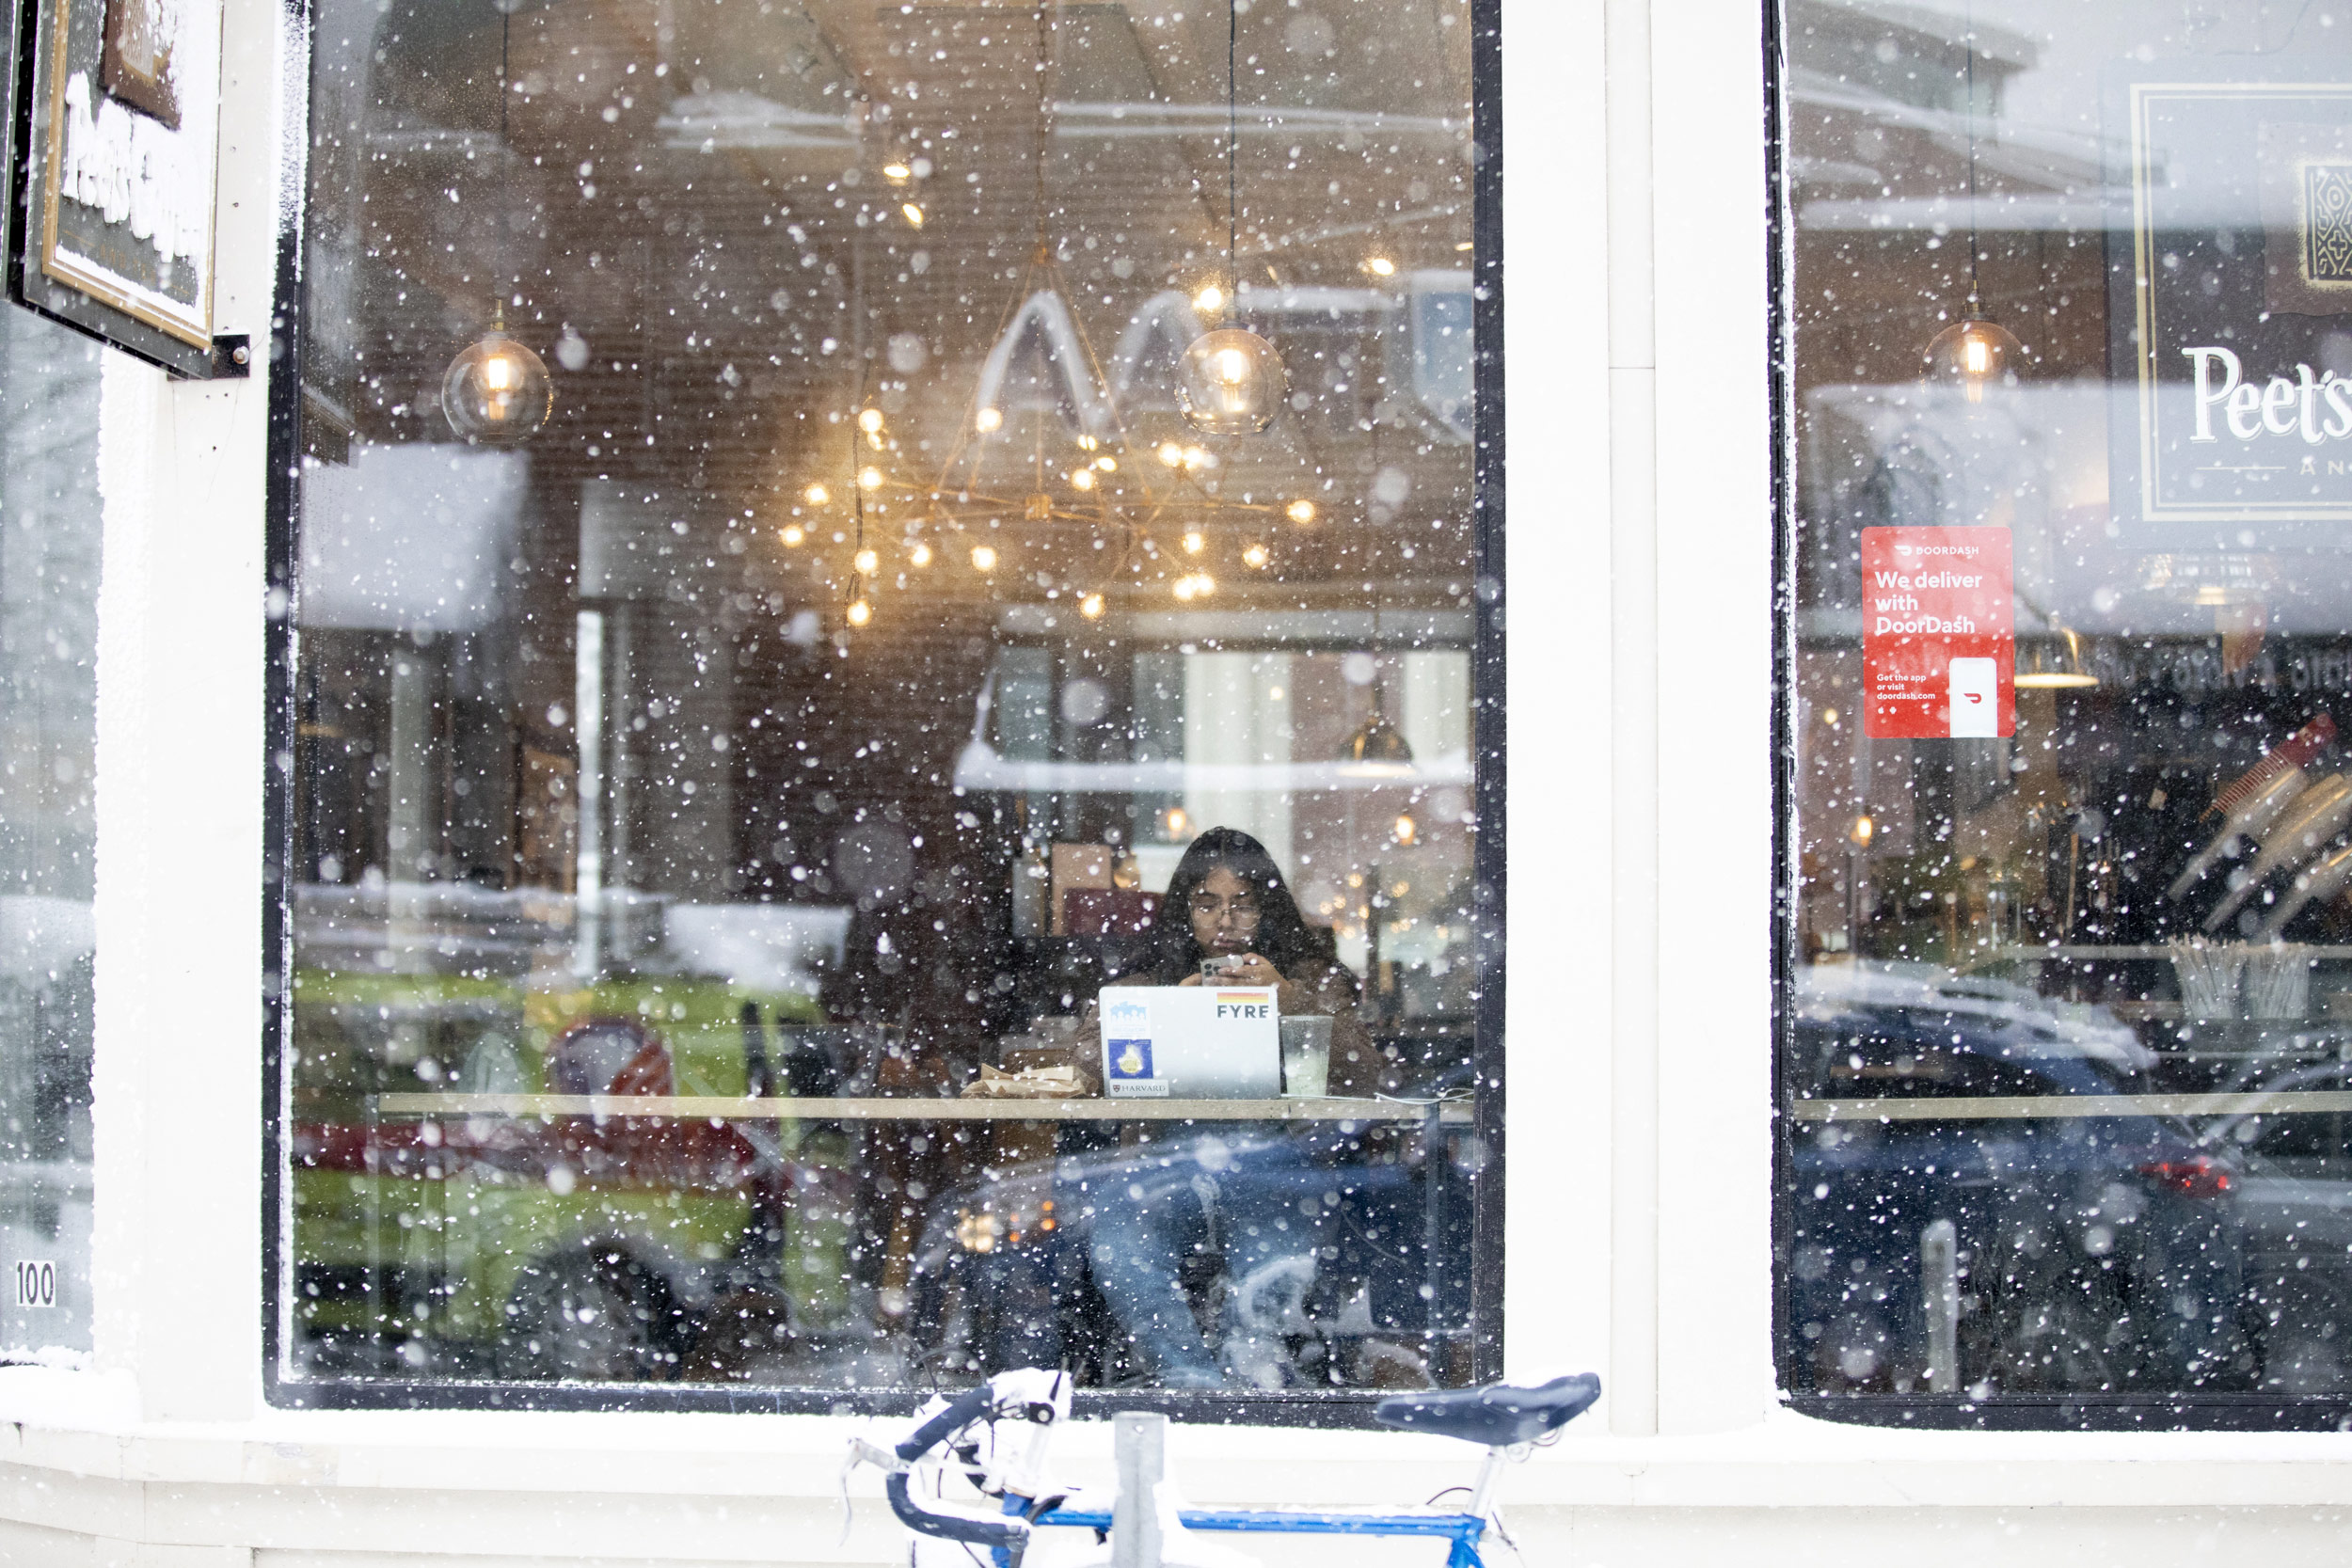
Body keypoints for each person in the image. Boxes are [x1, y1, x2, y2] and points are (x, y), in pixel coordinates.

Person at [1078, 828, 1391, 1387]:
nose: (1225, 922)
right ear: (1185, 912)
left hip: (1273, 1167)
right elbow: (1086, 1068)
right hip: (1165, 1169)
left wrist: (1287, 999)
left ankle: (1254, 1386)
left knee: (1272, 1276)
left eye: (1243, 905)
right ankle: (1194, 1384)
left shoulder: (1312, 979)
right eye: (1207, 904)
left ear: (1267, 912)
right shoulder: (1148, 979)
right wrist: (1167, 1009)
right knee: (1119, 1244)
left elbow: (1362, 1075)